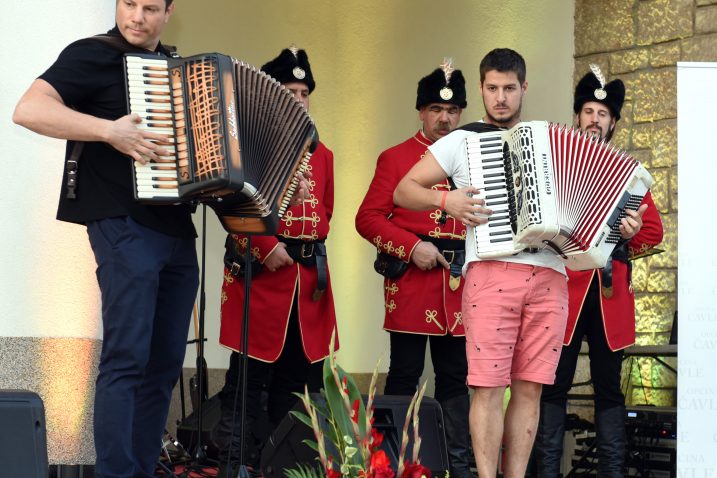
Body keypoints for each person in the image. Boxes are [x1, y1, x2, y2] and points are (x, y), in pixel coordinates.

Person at [12, 1, 199, 477]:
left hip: (177, 232)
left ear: (170, 11)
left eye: (150, 7)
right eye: (128, 4)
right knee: (128, 358)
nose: (136, 16)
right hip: (123, 224)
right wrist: (107, 131)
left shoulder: (177, 74)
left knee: (163, 366)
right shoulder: (92, 54)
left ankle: (139, 469)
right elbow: (29, 109)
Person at [394, 47, 572, 478]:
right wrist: (446, 199)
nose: (501, 98)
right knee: (487, 389)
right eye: (492, 88)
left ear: (523, 88)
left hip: (551, 274)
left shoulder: (553, 140)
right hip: (491, 273)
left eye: (509, 88)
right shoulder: (462, 140)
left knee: (530, 390)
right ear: (481, 88)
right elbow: (403, 190)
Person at [213, 45, 337, 477]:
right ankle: (235, 466)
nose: (299, 100)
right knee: (246, 385)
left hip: (307, 287)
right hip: (262, 282)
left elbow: (326, 217)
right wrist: (268, 248)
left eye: (305, 93)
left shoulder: (324, 156)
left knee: (299, 388)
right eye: (290, 91)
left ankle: (289, 467)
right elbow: (234, 212)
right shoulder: (248, 149)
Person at [534, 66, 664, 478]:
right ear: (577, 117)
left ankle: (613, 473)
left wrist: (629, 235)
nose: (594, 119)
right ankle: (547, 471)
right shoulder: (557, 163)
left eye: (602, 113)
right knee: (554, 385)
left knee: (609, 388)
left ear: (612, 123)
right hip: (564, 292)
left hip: (609, 296)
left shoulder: (629, 172)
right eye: (588, 111)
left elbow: (654, 231)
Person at [355, 59, 473, 477]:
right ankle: (392, 466)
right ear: (421, 111)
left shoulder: (473, 157)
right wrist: (411, 248)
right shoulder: (396, 157)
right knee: (404, 376)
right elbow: (367, 218)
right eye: (436, 110)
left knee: (456, 380)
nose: (445, 118)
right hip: (411, 283)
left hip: (461, 287)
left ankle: (455, 467)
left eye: (453, 110)